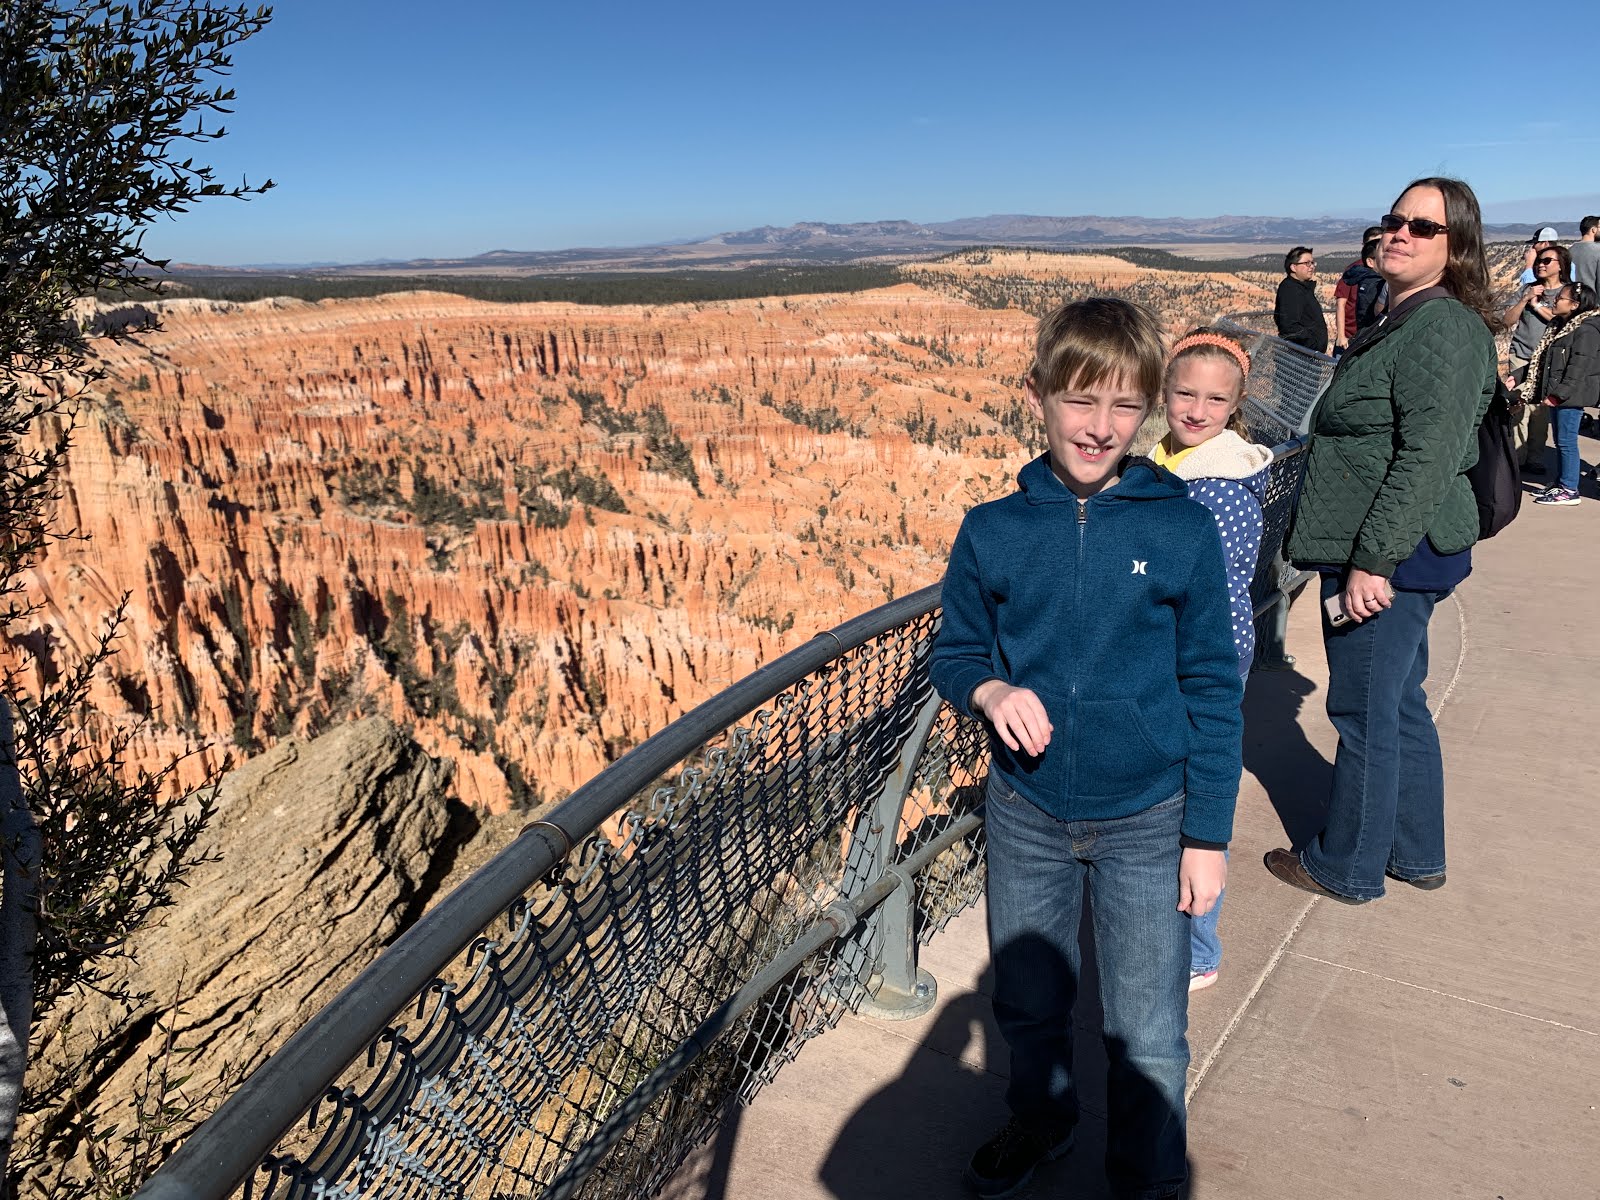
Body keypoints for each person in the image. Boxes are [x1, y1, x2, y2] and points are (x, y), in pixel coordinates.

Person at [930, 297, 1242, 1200]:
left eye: (1123, 405)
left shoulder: (1181, 529)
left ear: (1147, 409)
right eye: (1079, 400)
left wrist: (1208, 835)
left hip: (1150, 816)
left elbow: (1213, 689)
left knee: (1148, 1027)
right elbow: (955, 652)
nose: (1100, 427)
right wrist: (990, 690)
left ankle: (1147, 1178)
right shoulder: (993, 529)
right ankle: (1044, 1120)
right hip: (1025, 813)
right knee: (1029, 1006)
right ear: (1037, 395)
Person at [1266, 176, 1497, 904]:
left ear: (1458, 246)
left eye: (1423, 227)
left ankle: (1348, 865)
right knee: (1397, 703)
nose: (1400, 233)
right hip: (1388, 547)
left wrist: (1373, 562)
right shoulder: (1407, 317)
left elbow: (1428, 457)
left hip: (1386, 553)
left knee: (1363, 711)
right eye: (1395, 220)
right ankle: (1415, 852)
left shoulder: (1443, 328)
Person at [1152, 328, 1271, 992]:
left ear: (1236, 405)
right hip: (1176, 657)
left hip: (1199, 663)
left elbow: (1214, 595)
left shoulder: (1218, 486)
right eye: (1185, 394)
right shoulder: (1170, 461)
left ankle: (1196, 950)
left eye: (1215, 400)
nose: (1197, 410)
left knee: (1195, 799)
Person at [1522, 281, 1600, 505]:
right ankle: (1561, 482)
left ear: (1575, 304)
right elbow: (1542, 360)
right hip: (1559, 394)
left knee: (1566, 442)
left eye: (1560, 298)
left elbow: (1578, 368)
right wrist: (1517, 377)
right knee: (1561, 441)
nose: (1555, 301)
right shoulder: (1560, 326)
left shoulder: (1586, 330)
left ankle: (1569, 489)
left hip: (1569, 396)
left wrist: (1558, 395)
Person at [1504, 243, 1570, 471]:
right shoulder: (1527, 289)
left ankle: (1535, 458)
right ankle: (1517, 458)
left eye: (1547, 261)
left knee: (1540, 411)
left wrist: (1537, 305)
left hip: (1548, 359)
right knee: (1518, 407)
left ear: (1560, 265)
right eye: (1539, 261)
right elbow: (1507, 320)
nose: (1541, 265)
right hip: (1521, 355)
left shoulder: (1567, 294)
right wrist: (1525, 300)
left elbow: (1564, 323)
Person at [1333, 226, 1385, 353]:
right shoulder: (1353, 271)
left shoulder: (1384, 273)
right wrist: (1341, 336)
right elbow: (1341, 303)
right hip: (1351, 334)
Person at [1274, 246, 1328, 353]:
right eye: (1307, 263)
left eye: (1312, 263)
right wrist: (1312, 344)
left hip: (1308, 354)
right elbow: (1289, 326)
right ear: (1294, 267)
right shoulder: (1290, 290)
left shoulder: (1303, 288)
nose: (1312, 266)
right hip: (1301, 356)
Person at [1570, 216, 1600, 293]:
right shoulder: (1597, 250)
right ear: (1593, 230)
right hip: (1591, 297)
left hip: (1572, 295)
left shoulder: (1570, 250)